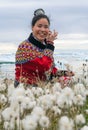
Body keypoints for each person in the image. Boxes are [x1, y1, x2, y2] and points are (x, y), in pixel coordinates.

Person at [14, 8, 74, 87]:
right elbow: (43, 68)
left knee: (69, 80)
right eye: (39, 26)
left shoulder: (44, 46)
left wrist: (63, 73)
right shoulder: (24, 47)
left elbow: (50, 70)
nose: (42, 30)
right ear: (32, 27)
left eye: (46, 27)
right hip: (25, 88)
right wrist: (50, 44)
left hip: (42, 86)